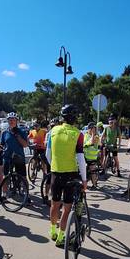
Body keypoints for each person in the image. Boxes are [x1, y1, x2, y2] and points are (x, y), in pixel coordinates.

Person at [46, 104, 87, 247]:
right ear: (75, 118)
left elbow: (48, 154)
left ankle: (52, 231)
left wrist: (54, 165)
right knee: (67, 208)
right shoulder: (78, 134)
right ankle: (61, 237)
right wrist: (84, 179)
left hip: (55, 173)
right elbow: (81, 159)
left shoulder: (53, 131)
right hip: (70, 174)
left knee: (54, 204)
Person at [0, 112, 30, 202]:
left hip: (19, 157)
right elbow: (0, 143)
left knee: (23, 177)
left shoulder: (21, 131)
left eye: (13, 120)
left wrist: (18, 137)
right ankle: (4, 194)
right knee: (6, 177)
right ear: (8, 121)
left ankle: (26, 195)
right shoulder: (4, 133)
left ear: (17, 121)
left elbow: (25, 145)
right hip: (7, 157)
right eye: (10, 120)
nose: (12, 121)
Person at [83, 122, 100, 188]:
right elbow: (83, 143)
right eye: (92, 129)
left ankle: (94, 184)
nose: (93, 130)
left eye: (94, 129)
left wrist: (93, 134)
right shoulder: (85, 135)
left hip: (92, 157)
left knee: (92, 171)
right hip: (84, 156)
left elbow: (91, 142)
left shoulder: (96, 136)